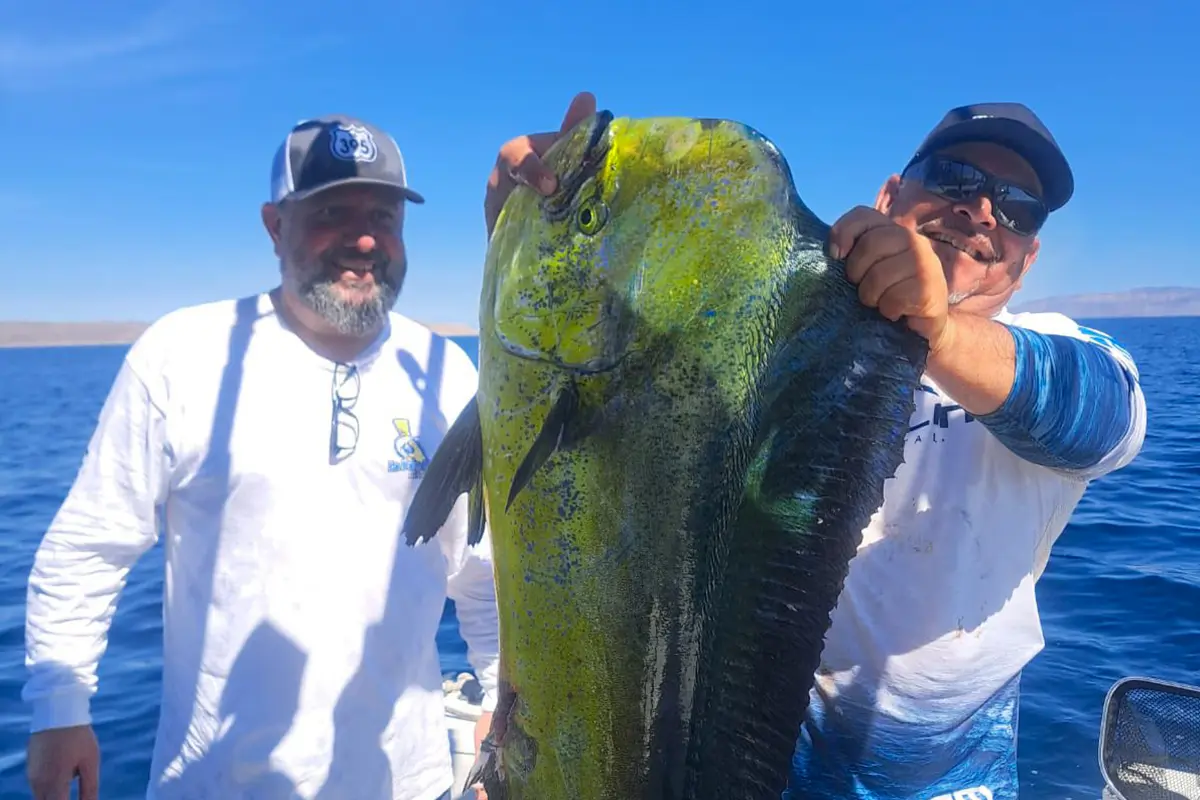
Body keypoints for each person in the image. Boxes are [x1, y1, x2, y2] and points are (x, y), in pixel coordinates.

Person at [487, 93, 1146, 800]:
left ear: (1029, 252)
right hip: (713, 764)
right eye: (956, 179)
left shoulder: (1059, 347)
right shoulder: (764, 341)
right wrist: (534, 230)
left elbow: (1108, 422)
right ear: (891, 194)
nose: (983, 211)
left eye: (1018, 208)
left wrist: (940, 333)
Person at [24, 114, 499, 800]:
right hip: (213, 783)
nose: (365, 238)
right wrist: (59, 711)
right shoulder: (184, 354)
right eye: (333, 211)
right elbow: (89, 546)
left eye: (384, 216)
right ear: (275, 225)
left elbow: (480, 572)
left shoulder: (444, 370)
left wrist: (501, 699)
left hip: (408, 781)